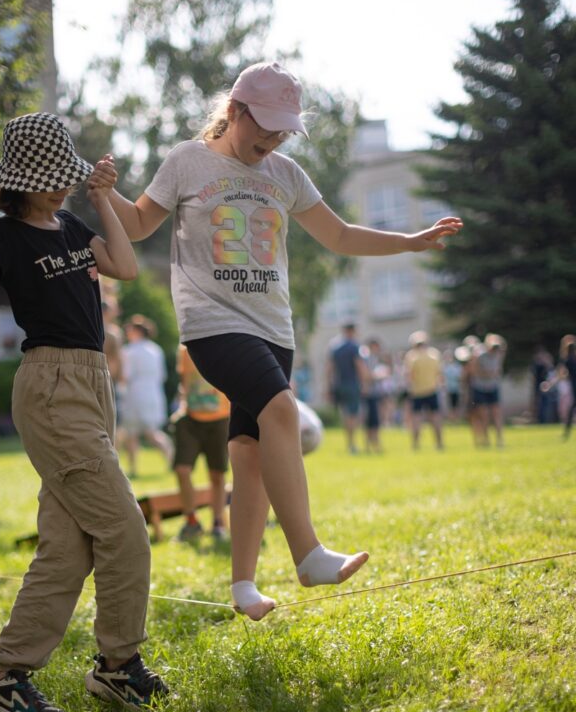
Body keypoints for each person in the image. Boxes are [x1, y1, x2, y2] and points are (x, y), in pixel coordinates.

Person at [104, 62, 462, 620]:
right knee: (281, 410)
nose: (270, 141)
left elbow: (340, 234)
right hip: (213, 324)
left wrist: (411, 242)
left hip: (274, 329)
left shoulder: (287, 174)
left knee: (248, 453)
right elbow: (137, 225)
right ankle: (308, 554)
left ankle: (243, 585)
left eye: (281, 133)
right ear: (235, 111)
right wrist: (106, 196)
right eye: (263, 128)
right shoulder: (186, 161)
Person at [0, 111, 169, 712]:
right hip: (50, 387)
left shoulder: (71, 223)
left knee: (67, 549)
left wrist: (102, 200)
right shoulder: (2, 236)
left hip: (93, 382)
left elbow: (124, 266)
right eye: (52, 178)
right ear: (19, 179)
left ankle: (6, 680)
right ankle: (118, 667)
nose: (61, 186)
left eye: (66, 176)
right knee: (125, 530)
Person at [172, 343, 230, 541]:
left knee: (217, 474)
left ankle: (218, 523)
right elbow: (185, 382)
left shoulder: (225, 346)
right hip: (190, 419)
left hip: (220, 418)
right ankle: (191, 522)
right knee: (182, 469)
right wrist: (181, 406)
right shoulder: (185, 350)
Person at [120, 314, 173, 477]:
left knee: (132, 433)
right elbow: (162, 375)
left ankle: (133, 468)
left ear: (136, 331)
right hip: (154, 394)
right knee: (152, 431)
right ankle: (172, 459)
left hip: (135, 394)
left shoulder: (129, 351)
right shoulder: (156, 350)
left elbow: (126, 375)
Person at [327, 323, 366, 454]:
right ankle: (352, 443)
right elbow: (359, 366)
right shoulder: (354, 347)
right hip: (352, 384)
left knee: (344, 413)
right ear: (353, 331)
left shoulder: (335, 347)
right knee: (353, 414)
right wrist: (364, 383)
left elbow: (329, 368)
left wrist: (329, 386)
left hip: (339, 385)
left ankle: (348, 442)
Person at [403, 331, 445, 450]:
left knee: (416, 418)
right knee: (436, 417)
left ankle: (416, 444)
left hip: (417, 391)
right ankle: (439, 443)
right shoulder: (434, 354)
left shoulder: (411, 356)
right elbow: (440, 373)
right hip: (432, 389)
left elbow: (409, 375)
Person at [467, 332, 507, 447]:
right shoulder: (479, 355)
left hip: (492, 387)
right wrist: (488, 374)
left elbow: (504, 345)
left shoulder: (498, 354)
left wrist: (495, 339)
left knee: (496, 413)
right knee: (483, 414)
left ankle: (499, 439)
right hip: (480, 387)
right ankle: (486, 439)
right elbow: (475, 371)